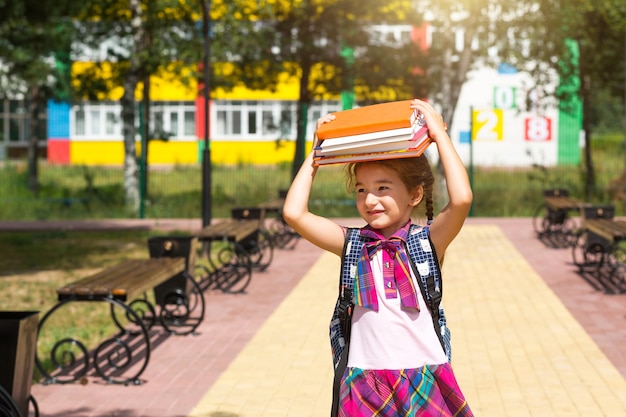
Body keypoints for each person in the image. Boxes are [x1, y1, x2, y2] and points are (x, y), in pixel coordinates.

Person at [282, 98, 474, 416]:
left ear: (415, 194)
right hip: (364, 379)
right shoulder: (352, 243)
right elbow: (294, 213)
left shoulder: (427, 241)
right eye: (361, 190)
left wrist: (440, 136)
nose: (370, 199)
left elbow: (462, 198)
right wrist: (317, 153)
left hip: (421, 374)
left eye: (383, 188)